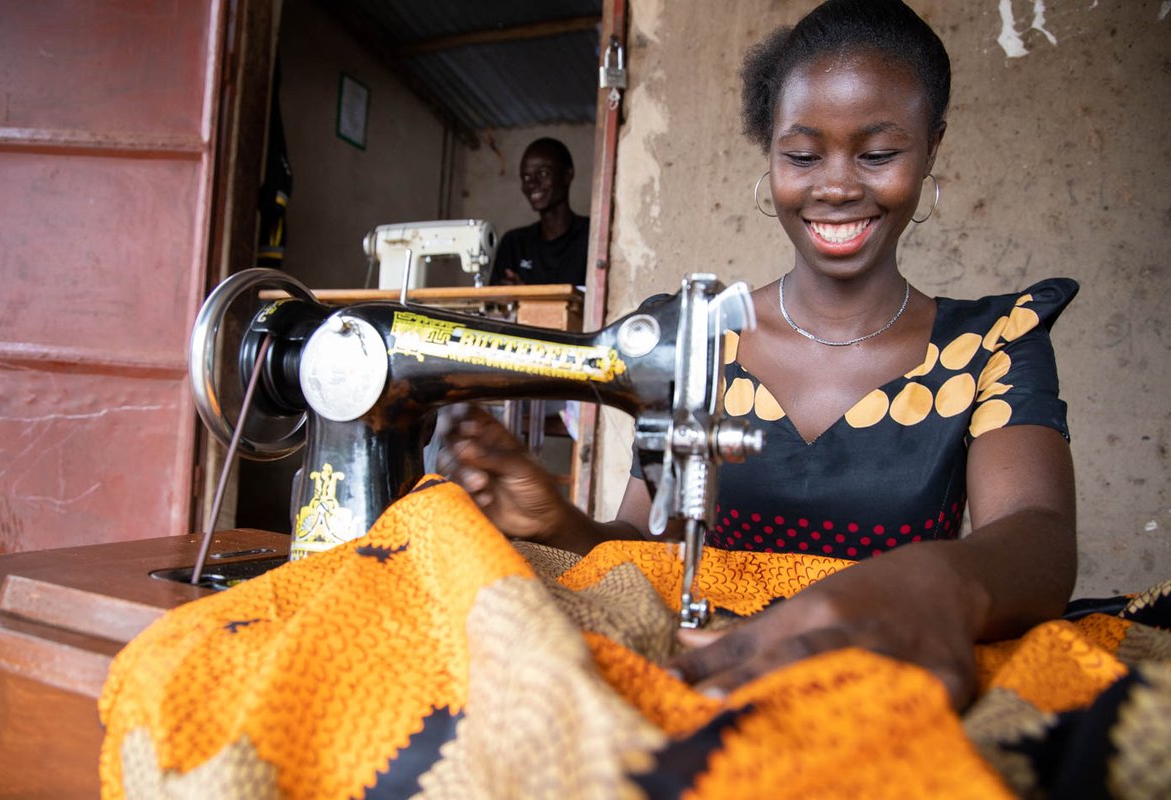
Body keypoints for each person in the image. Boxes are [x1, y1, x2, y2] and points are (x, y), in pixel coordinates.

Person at [441, 0, 1079, 711]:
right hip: (713, 680)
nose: (835, 185)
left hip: (885, 688)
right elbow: (647, 543)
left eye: (878, 154)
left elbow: (1040, 537)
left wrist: (936, 584)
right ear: (769, 152)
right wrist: (559, 527)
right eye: (802, 156)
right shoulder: (698, 339)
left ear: (932, 148)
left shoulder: (992, 343)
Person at [489, 137, 591, 286]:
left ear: (567, 175)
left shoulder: (592, 237)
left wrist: (527, 297)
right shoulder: (514, 244)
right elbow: (494, 305)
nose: (531, 184)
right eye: (526, 177)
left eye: (543, 174)